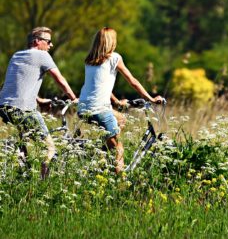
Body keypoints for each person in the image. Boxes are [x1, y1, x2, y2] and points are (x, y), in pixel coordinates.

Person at [78, 27, 165, 174]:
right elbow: (132, 81)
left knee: (121, 119)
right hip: (100, 109)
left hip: (83, 108)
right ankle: (120, 184)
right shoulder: (114, 58)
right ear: (112, 42)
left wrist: (116, 101)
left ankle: (102, 155)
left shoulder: (89, 60)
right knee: (119, 149)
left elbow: (99, 85)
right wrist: (151, 98)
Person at [0, 27, 77, 179]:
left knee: (24, 144)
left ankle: (22, 177)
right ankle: (43, 184)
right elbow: (59, 79)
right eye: (48, 41)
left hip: (4, 105)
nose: (51, 45)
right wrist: (73, 98)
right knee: (50, 149)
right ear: (37, 42)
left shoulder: (17, 55)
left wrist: (39, 100)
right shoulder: (42, 55)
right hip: (23, 109)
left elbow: (19, 83)